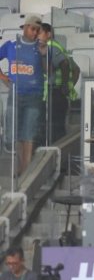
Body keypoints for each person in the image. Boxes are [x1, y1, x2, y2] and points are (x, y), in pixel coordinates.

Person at [0, 16, 46, 175]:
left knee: (28, 132)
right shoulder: (11, 45)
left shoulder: (41, 48)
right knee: (16, 132)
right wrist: (3, 76)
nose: (35, 32)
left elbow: (49, 70)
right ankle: (21, 166)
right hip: (15, 94)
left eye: (38, 30)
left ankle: (25, 169)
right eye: (33, 29)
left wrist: (44, 54)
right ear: (25, 28)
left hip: (34, 95)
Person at [36, 22, 75, 144]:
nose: (37, 35)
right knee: (54, 126)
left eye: (40, 32)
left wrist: (64, 86)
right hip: (53, 92)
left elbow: (64, 64)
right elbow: (76, 69)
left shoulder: (51, 46)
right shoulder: (53, 46)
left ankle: (55, 150)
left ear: (49, 34)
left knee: (54, 127)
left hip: (55, 92)